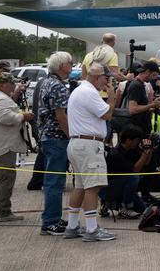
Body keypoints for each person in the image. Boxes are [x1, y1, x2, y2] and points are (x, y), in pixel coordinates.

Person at [63, 63, 122, 241]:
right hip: (88, 145)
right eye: (107, 78)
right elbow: (107, 114)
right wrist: (112, 96)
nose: (107, 82)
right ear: (98, 77)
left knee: (81, 186)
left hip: (78, 143)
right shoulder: (88, 92)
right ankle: (91, 229)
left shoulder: (80, 91)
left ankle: (72, 226)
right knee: (92, 187)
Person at [0, 71, 33, 222]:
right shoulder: (0, 99)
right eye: (11, 83)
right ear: (2, 84)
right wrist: (23, 116)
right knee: (6, 177)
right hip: (2, 146)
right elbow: (6, 118)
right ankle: (4, 211)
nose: (14, 86)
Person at [38, 51, 74, 235]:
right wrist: (71, 136)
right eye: (70, 62)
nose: (72, 65)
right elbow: (61, 115)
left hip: (47, 136)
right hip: (57, 138)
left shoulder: (46, 82)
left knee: (52, 180)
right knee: (55, 181)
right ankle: (51, 221)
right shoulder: (58, 86)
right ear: (62, 66)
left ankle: (51, 217)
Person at [103, 125, 155, 218]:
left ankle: (112, 204)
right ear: (128, 140)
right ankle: (125, 207)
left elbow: (146, 163)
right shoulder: (116, 154)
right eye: (137, 140)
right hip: (108, 188)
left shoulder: (132, 150)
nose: (138, 142)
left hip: (123, 187)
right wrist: (144, 154)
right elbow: (135, 170)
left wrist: (149, 149)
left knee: (142, 209)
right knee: (133, 177)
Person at [114, 61, 160, 137]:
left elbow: (139, 107)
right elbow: (133, 109)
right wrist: (152, 105)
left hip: (141, 127)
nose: (153, 78)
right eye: (153, 75)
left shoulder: (141, 84)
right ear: (147, 72)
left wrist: (152, 107)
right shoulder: (136, 85)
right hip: (137, 129)